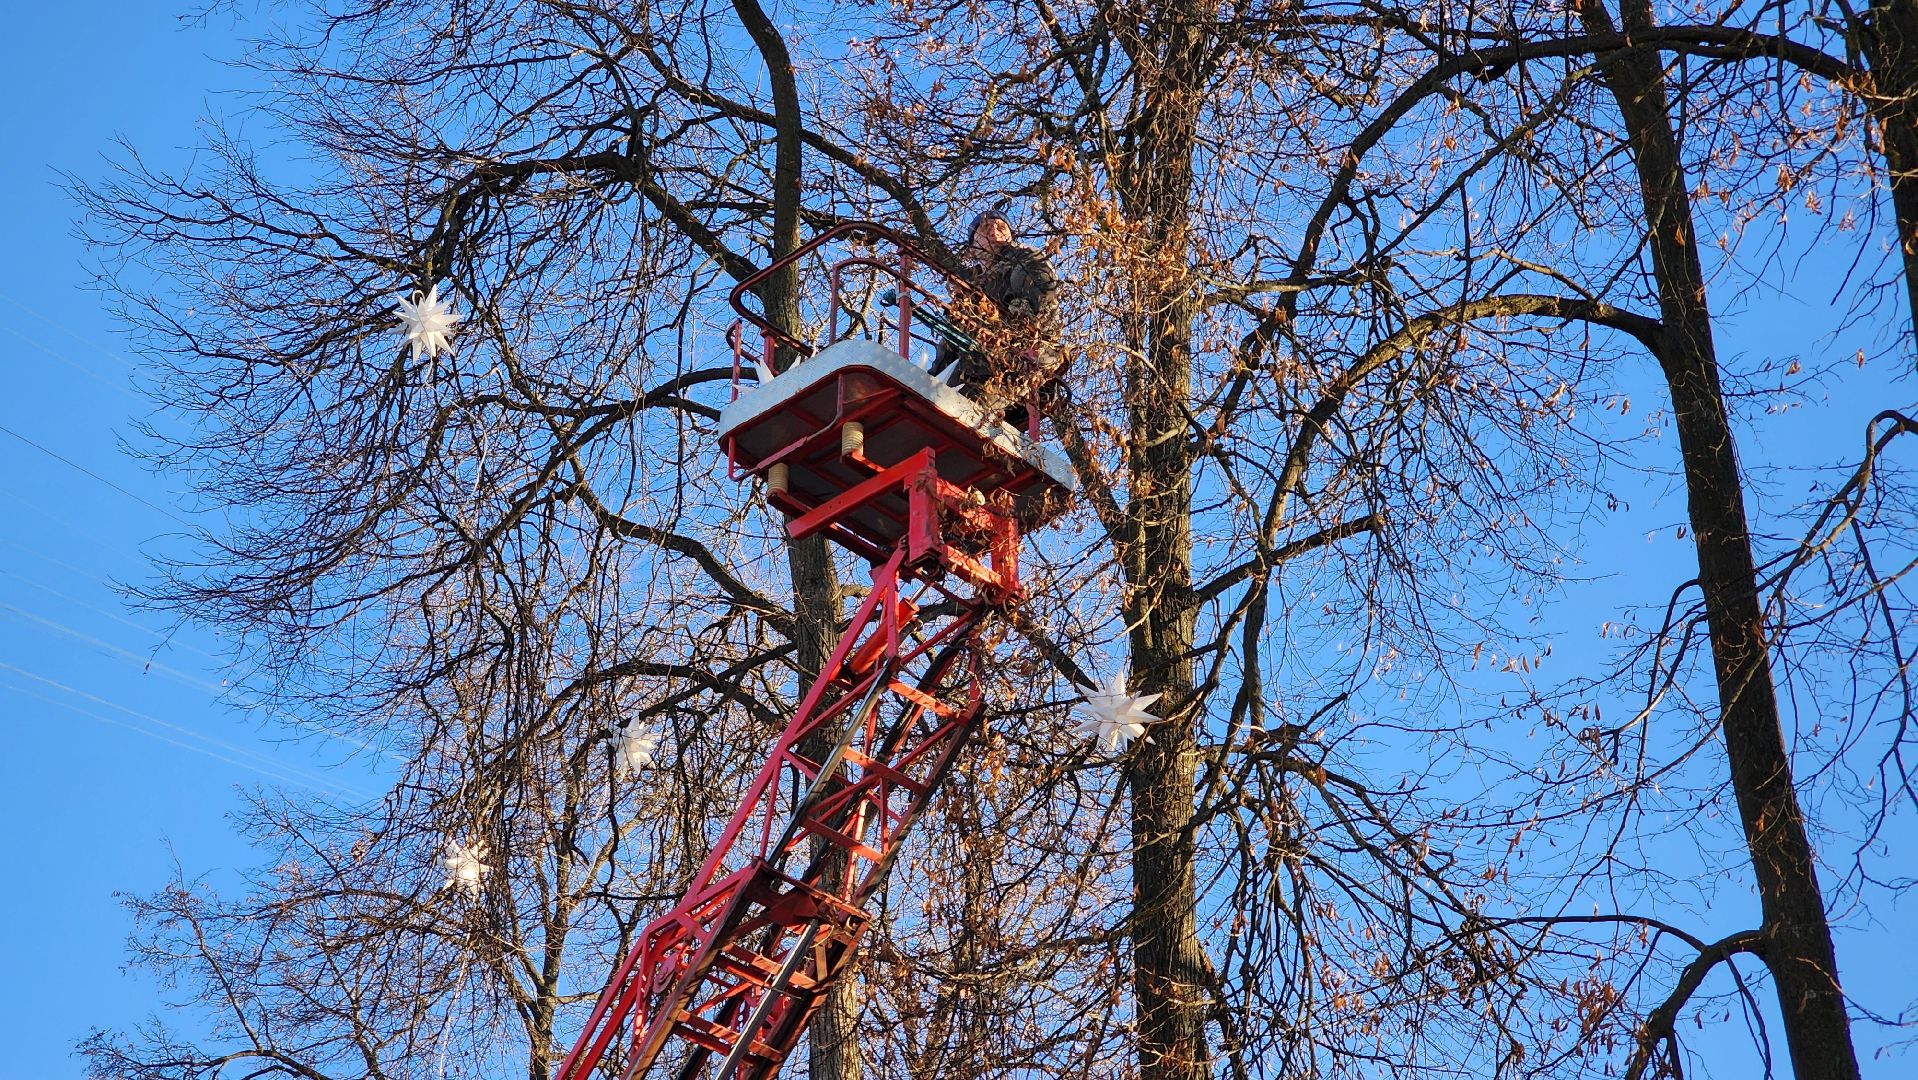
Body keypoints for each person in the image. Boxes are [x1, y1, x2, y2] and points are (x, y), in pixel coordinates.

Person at [934, 209, 1061, 427]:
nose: (994, 231)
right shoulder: (967, 290)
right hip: (975, 367)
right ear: (971, 248)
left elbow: (1041, 308)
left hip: (1018, 359)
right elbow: (950, 344)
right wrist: (927, 380)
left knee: (960, 419)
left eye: (1001, 227)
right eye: (985, 228)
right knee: (932, 399)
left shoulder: (1024, 259)